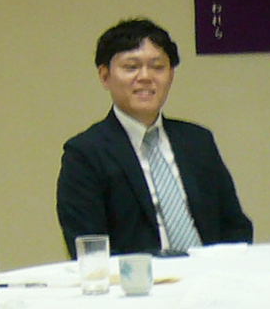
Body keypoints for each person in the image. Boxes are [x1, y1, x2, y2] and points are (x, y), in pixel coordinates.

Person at [56, 17, 253, 256]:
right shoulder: (85, 153)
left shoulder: (197, 141)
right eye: (131, 67)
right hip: (138, 277)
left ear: (171, 75)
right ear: (105, 76)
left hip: (209, 271)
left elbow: (235, 226)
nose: (145, 77)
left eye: (157, 67)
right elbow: (89, 247)